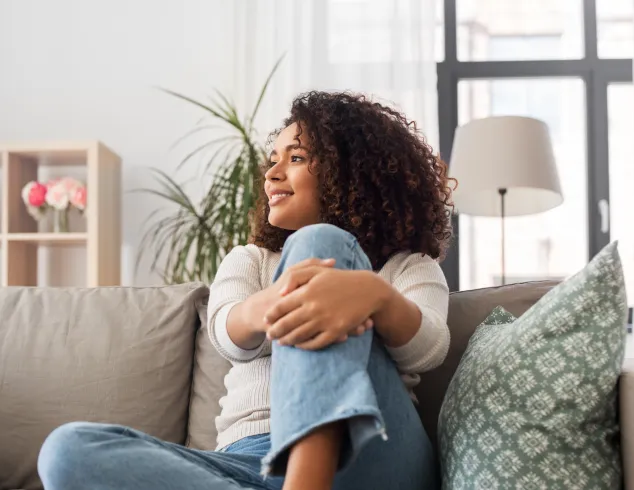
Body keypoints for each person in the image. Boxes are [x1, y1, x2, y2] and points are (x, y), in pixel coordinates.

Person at [37, 91, 455, 490]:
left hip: (369, 455)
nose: (272, 173)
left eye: (296, 158)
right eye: (272, 160)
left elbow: (429, 348)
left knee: (320, 242)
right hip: (246, 463)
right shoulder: (251, 259)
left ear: (351, 172)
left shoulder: (408, 266)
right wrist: (269, 305)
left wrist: (375, 296)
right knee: (67, 451)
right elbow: (226, 333)